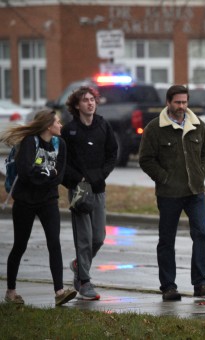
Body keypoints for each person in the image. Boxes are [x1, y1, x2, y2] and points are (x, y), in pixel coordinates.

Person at [138, 84, 205, 301]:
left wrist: (202, 172)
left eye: (184, 102)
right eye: (177, 102)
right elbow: (145, 159)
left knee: (201, 234)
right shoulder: (155, 128)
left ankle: (200, 283)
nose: (182, 106)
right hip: (169, 194)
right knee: (166, 239)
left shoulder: (198, 125)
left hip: (195, 191)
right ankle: (168, 286)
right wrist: (163, 178)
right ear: (168, 103)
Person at [2, 109, 77, 306]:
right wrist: (47, 174)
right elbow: (26, 172)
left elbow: (59, 176)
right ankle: (10, 292)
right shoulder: (29, 142)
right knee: (20, 245)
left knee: (54, 243)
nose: (61, 126)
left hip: (48, 200)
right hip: (25, 201)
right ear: (47, 126)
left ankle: (59, 291)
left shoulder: (60, 144)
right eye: (58, 122)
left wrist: (43, 175)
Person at [61, 86, 118, 300]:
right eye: (85, 100)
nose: (90, 103)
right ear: (77, 105)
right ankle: (84, 281)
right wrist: (77, 179)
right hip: (79, 191)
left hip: (99, 188)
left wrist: (101, 175)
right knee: (83, 238)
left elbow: (112, 153)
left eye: (92, 99)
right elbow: (62, 162)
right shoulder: (69, 130)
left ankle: (78, 265)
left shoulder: (103, 125)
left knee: (99, 237)